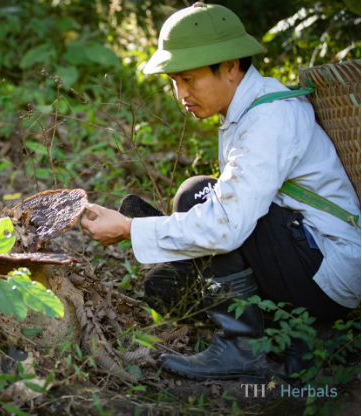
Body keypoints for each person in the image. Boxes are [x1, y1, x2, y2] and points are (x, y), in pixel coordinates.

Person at [80, 2, 361, 382]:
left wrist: (130, 229)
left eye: (189, 79)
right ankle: (298, 335)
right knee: (174, 268)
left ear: (230, 67)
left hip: (327, 272)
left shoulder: (268, 118)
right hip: (304, 257)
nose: (181, 93)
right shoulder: (245, 108)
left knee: (197, 195)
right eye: (174, 81)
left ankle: (243, 347)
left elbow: (227, 225)